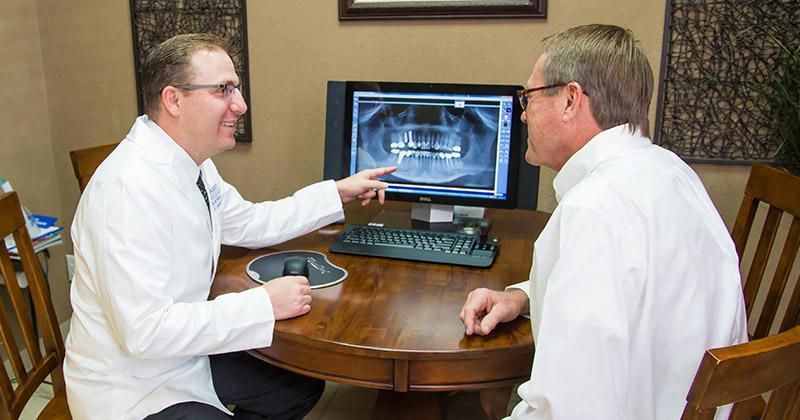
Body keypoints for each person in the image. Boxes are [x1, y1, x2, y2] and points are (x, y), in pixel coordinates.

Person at [64, 33, 395, 419]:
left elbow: (250, 221)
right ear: (174, 100)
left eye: (236, 89)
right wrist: (262, 304)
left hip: (179, 357)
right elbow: (145, 331)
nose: (241, 105)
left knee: (298, 387)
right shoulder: (124, 191)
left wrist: (337, 193)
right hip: (129, 387)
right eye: (224, 90)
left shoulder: (193, 163)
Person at [459, 24, 747, 419]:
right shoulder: (672, 172)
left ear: (570, 100)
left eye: (528, 97)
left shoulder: (593, 210)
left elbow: (567, 409)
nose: (523, 115)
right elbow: (641, 287)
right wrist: (523, 297)